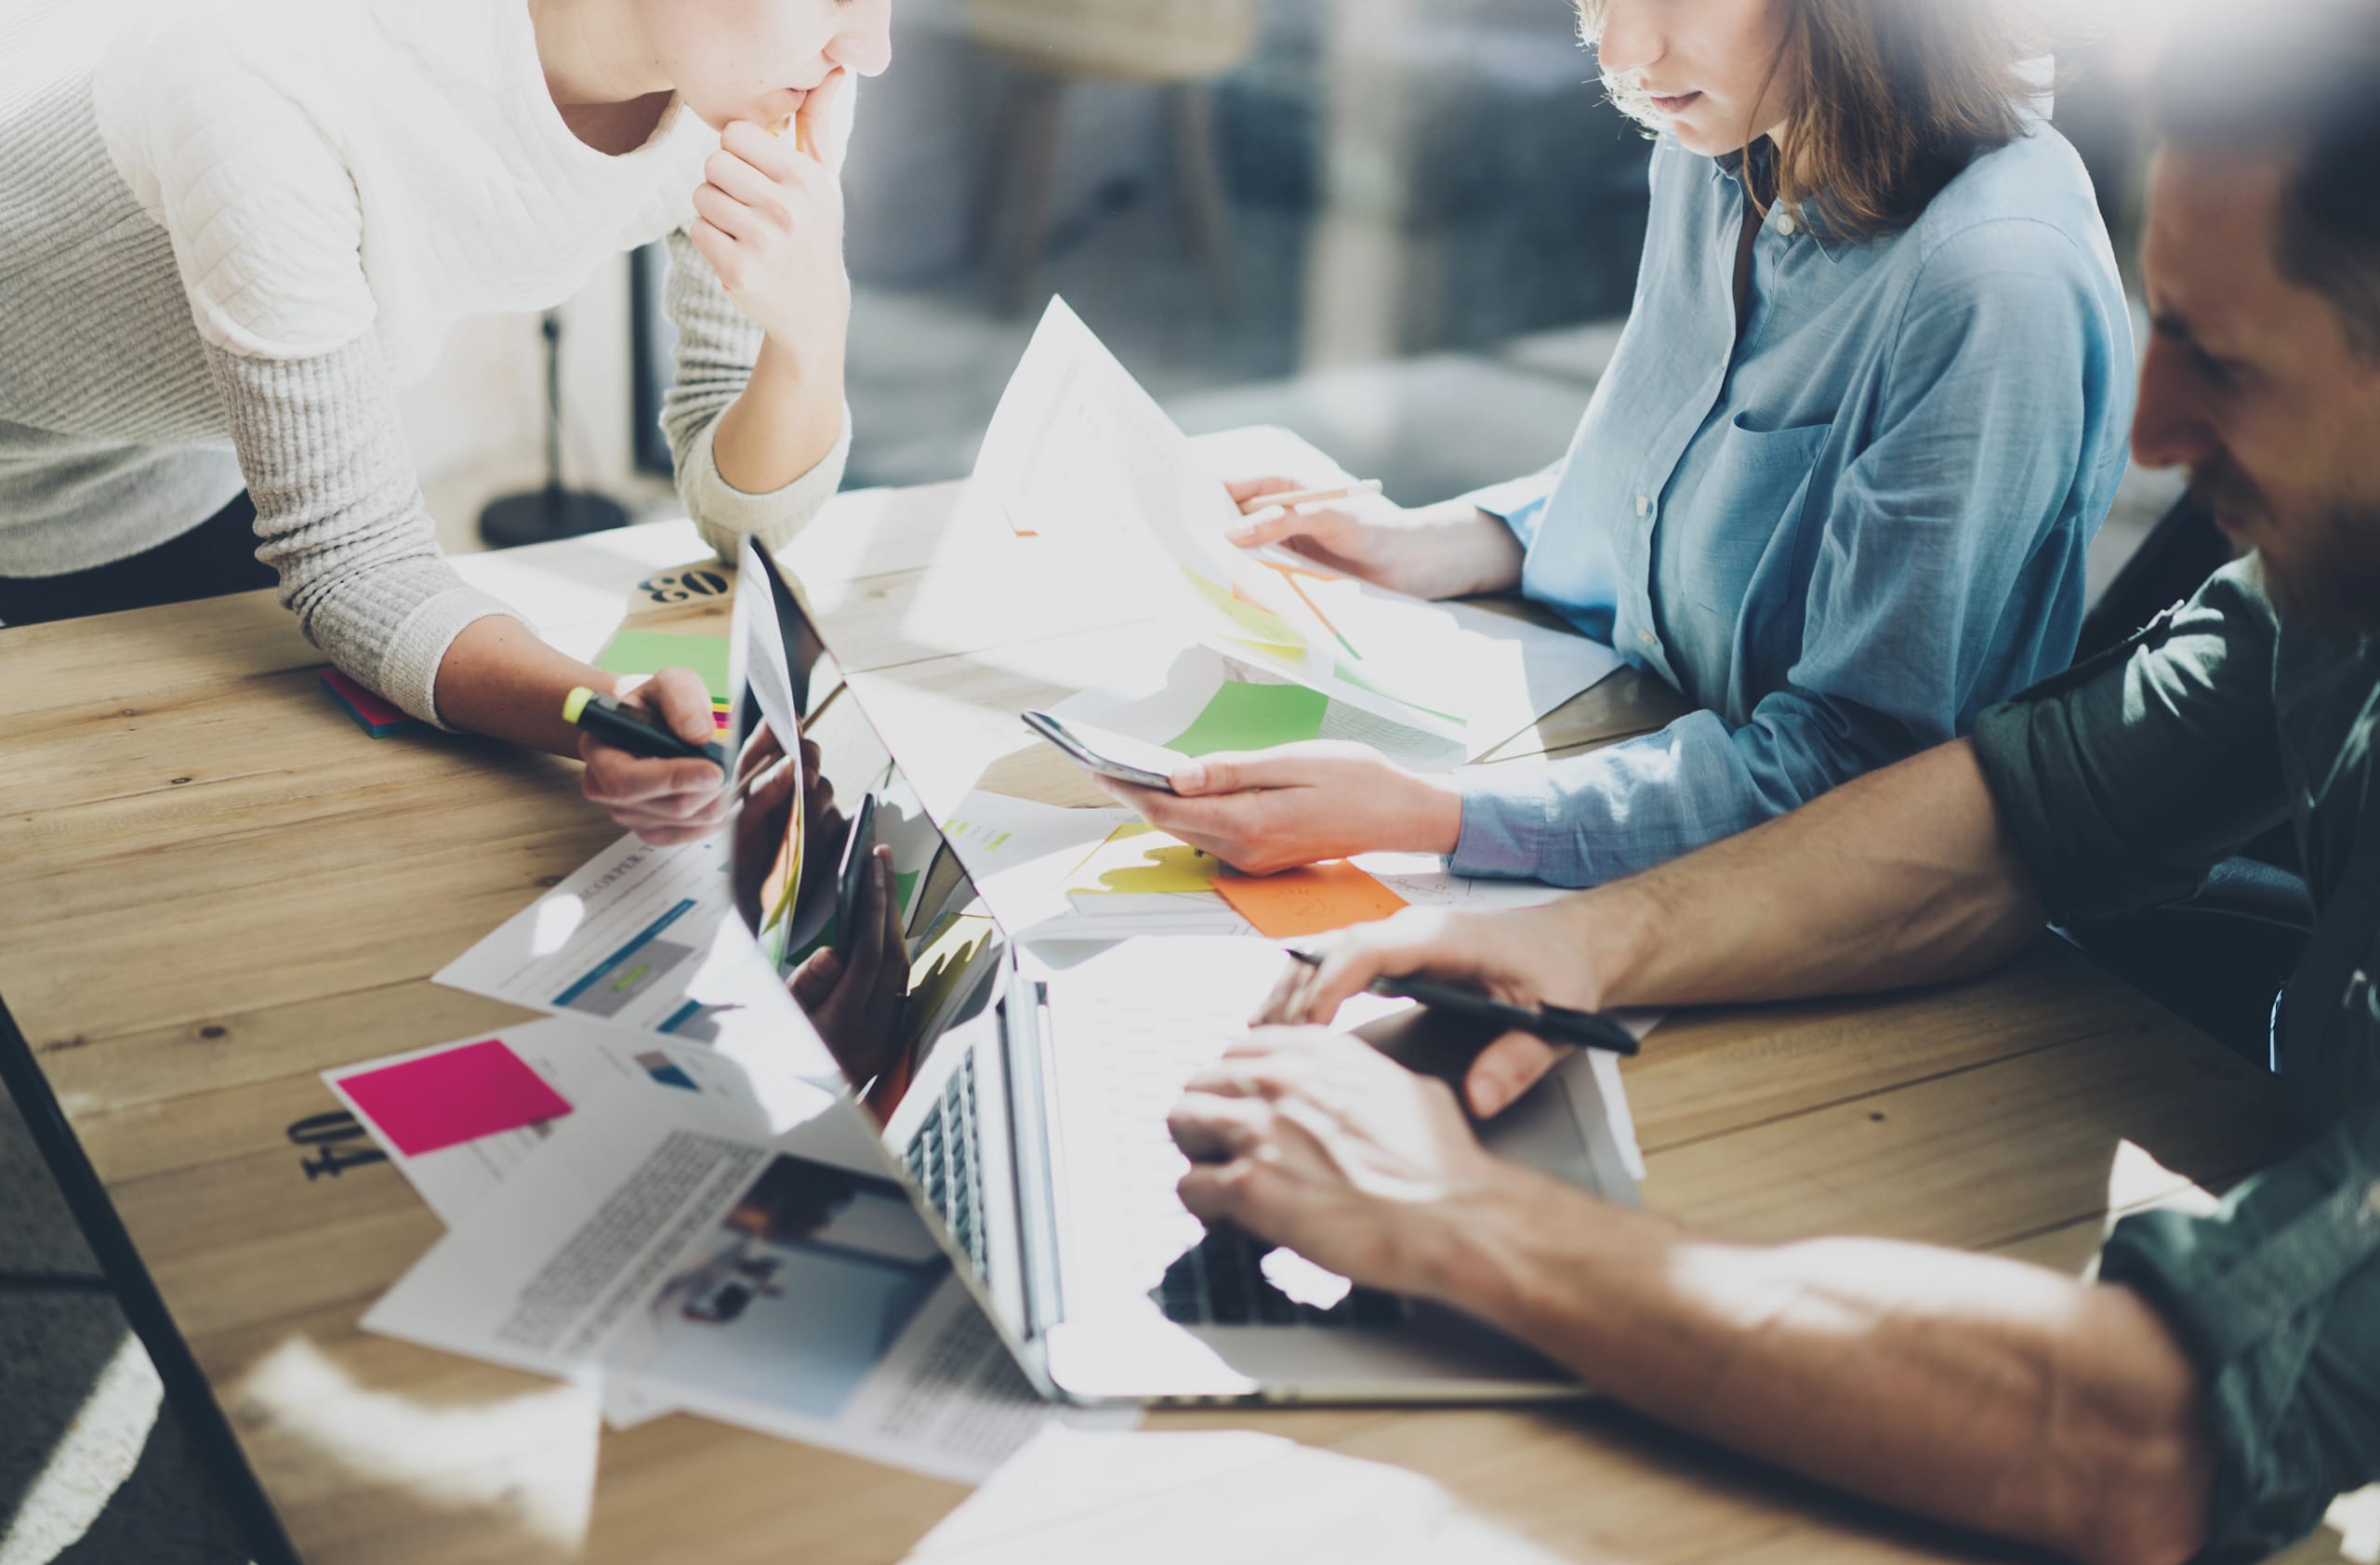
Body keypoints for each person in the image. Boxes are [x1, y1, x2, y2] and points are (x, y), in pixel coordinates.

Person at [1165, 11, 2380, 1560]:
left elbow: (2143, 1436)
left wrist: (1465, 1217)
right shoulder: (2318, 605)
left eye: (2224, 362)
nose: (2144, 434)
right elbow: (2011, 816)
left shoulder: (1992, 267)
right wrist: (1571, 942)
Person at [1103, 0, 2133, 886]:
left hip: (1851, 916)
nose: (1620, 51)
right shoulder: (1724, 132)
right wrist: (1456, 537)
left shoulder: (1991, 286)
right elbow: (1677, 473)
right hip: (1640, 743)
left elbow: (1861, 776)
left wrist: (1432, 816)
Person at [0, 0, 891, 845]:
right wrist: (593, 708)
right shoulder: (269, 57)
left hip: (182, 470)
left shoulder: (749, 87)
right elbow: (357, 565)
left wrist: (812, 333)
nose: (873, 50)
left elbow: (741, 521)